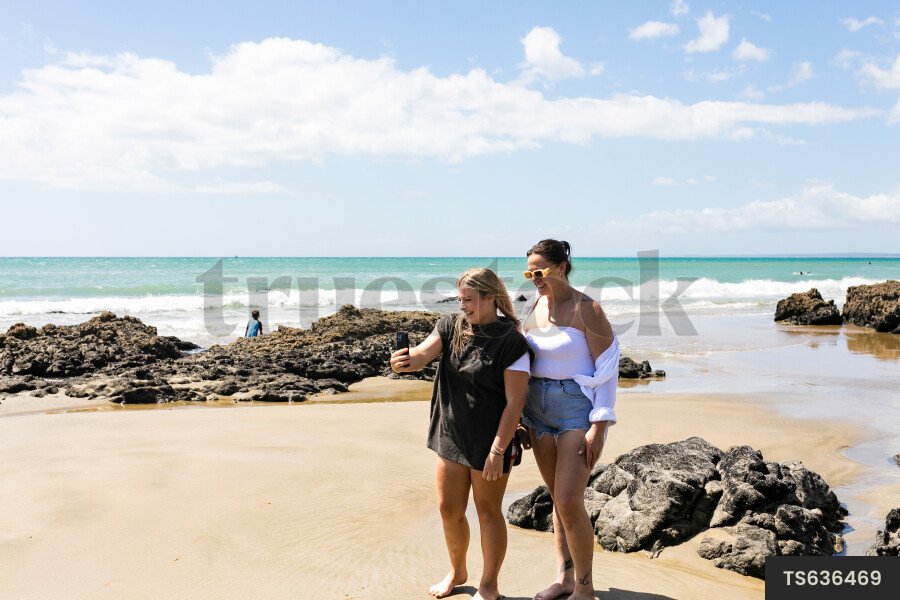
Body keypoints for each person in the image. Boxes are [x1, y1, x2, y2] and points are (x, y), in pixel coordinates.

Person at [390, 268, 531, 600]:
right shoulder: (450, 327)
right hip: (450, 434)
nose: (463, 306)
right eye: (460, 299)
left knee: (487, 511)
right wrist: (405, 362)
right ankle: (457, 571)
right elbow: (423, 355)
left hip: (491, 442)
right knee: (448, 508)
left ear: (489, 297)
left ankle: (489, 584)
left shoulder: (511, 341)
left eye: (469, 300)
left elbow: (515, 402)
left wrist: (498, 450)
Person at [520, 239, 618, 600]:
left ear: (562, 267)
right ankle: (564, 579)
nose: (533, 278)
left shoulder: (587, 308)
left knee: (568, 499)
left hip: (576, 408)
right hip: (536, 411)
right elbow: (522, 360)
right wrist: (518, 417)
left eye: (539, 271)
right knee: (555, 499)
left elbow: (608, 369)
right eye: (528, 272)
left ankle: (585, 589)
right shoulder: (535, 305)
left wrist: (600, 426)